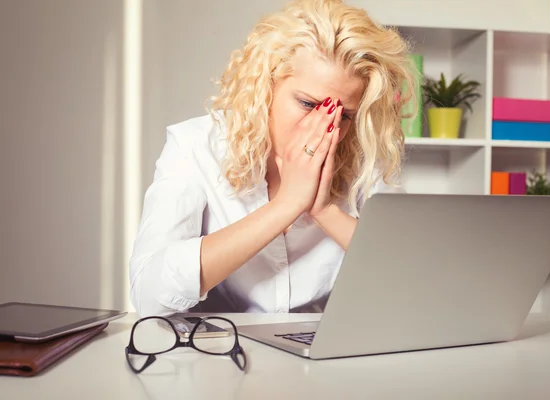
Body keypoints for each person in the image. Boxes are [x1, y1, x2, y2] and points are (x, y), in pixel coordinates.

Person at [129, 0, 417, 317]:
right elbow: (150, 297)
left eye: (344, 114)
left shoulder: (365, 156)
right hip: (220, 353)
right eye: (308, 104)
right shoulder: (196, 146)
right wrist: (285, 206)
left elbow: (413, 282)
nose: (325, 126)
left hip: (323, 351)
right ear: (267, 85)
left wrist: (323, 210)